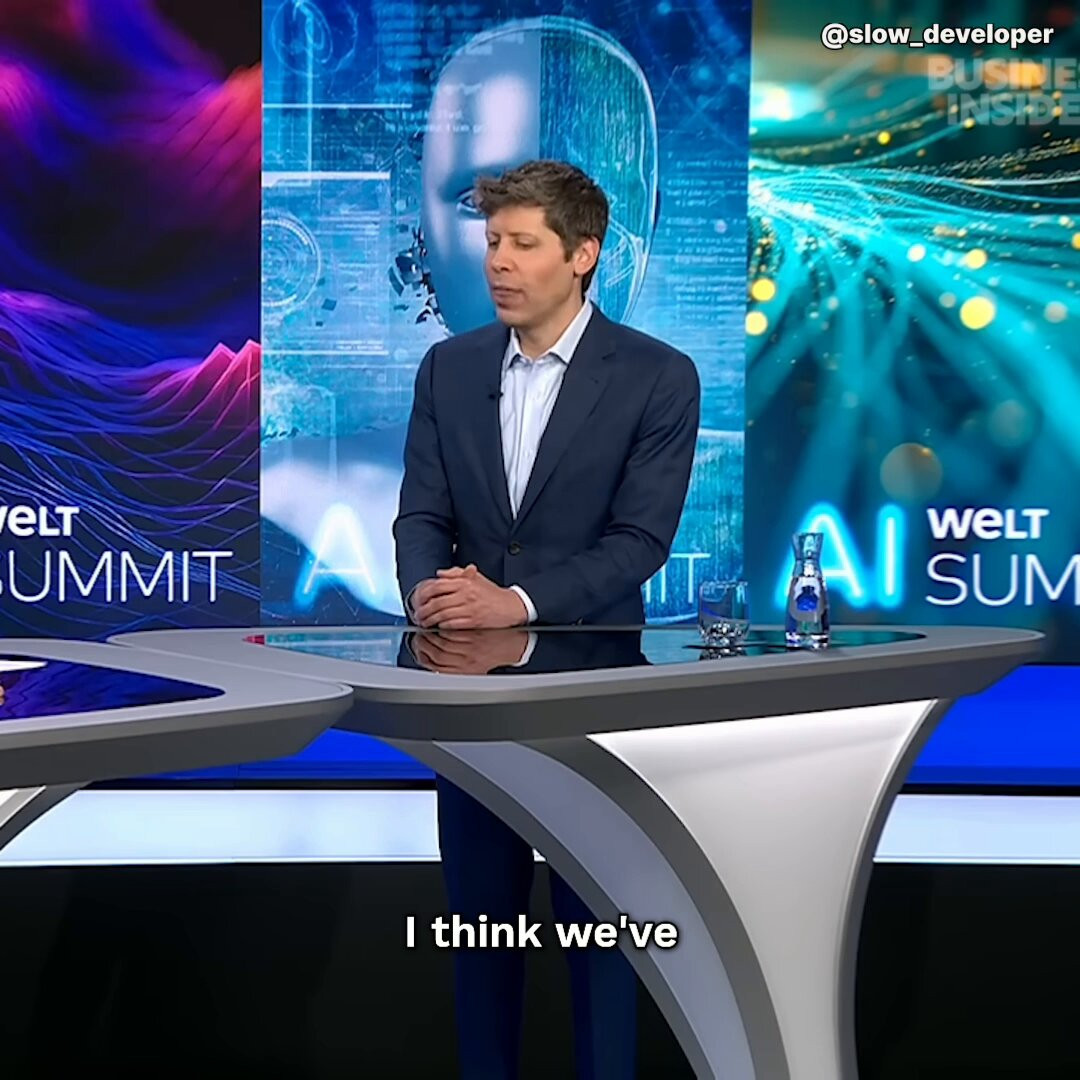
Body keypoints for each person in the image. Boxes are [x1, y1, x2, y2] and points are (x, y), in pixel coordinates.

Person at [393, 159, 699, 1080]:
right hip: (468, 706)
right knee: (479, 937)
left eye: (523, 244)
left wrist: (517, 605)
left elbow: (639, 542)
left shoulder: (657, 376)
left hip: (595, 703)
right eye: (493, 241)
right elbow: (421, 517)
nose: (498, 262)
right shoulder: (449, 368)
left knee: (601, 940)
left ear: (582, 255)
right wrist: (430, 596)